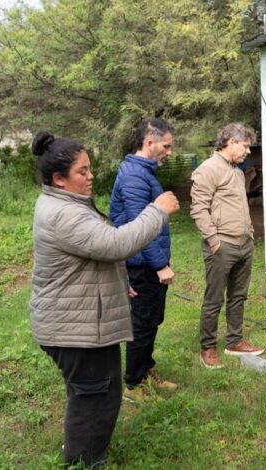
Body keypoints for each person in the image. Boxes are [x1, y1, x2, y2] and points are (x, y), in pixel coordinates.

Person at [29, 131, 179, 466]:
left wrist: (117, 282)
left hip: (75, 320)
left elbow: (93, 253)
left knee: (91, 391)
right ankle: (85, 462)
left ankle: (84, 453)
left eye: (89, 168)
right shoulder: (64, 213)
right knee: (94, 396)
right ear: (59, 179)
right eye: (82, 171)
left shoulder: (62, 203)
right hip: (73, 329)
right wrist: (158, 211)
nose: (91, 175)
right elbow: (115, 244)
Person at [109, 118, 178, 402]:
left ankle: (145, 370)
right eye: (166, 145)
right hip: (142, 266)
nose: (170, 151)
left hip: (145, 263)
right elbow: (141, 227)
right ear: (149, 143)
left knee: (151, 320)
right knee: (144, 324)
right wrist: (160, 265)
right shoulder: (136, 176)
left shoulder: (142, 171)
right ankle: (133, 385)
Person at [190, 123, 264, 369]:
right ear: (230, 142)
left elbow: (241, 206)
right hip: (222, 246)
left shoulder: (238, 172)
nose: (247, 152)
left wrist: (250, 234)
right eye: (244, 146)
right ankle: (208, 348)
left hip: (244, 244)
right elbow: (199, 208)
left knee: (238, 296)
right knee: (214, 299)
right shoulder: (207, 170)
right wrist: (213, 240)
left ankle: (234, 341)